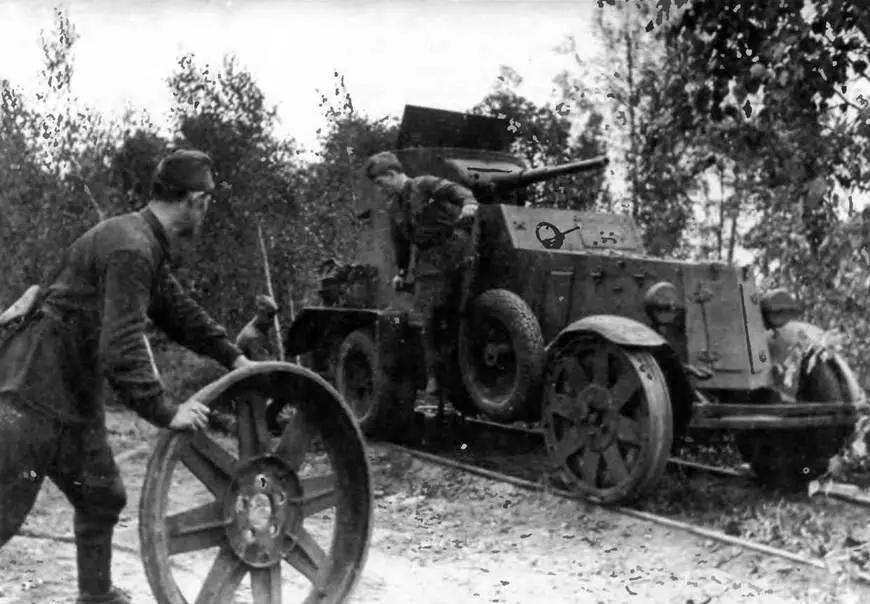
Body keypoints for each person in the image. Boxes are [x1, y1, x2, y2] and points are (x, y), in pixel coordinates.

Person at [0, 148, 253, 604]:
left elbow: (178, 311)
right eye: (208, 202)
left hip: (70, 394)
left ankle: (96, 597)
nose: (207, 212)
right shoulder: (132, 248)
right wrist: (165, 410)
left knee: (102, 496)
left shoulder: (141, 242)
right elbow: (121, 347)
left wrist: (233, 358)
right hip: (32, 390)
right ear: (194, 200)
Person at [364, 151, 479, 398]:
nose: (380, 189)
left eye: (380, 183)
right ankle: (436, 377)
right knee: (428, 320)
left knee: (449, 315)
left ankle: (452, 377)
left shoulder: (424, 185)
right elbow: (401, 244)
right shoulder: (394, 206)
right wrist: (402, 272)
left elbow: (456, 191)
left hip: (453, 251)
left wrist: (468, 205)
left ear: (392, 174)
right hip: (428, 261)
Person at [235, 294, 279, 361]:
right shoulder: (253, 335)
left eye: (273, 316)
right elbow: (264, 367)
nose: (272, 320)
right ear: (261, 313)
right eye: (270, 315)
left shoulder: (260, 329)